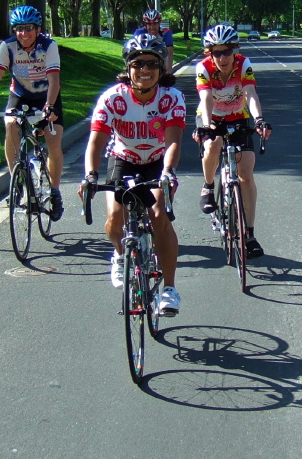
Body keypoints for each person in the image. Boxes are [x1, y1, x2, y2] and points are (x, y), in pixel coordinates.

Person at [79, 34, 186, 315]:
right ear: (128, 68)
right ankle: (118, 254)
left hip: (157, 160)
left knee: (159, 216)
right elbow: (96, 141)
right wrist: (90, 175)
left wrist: (169, 173)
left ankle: (170, 289)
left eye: (152, 64)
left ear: (161, 68)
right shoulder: (113, 98)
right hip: (123, 159)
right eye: (138, 64)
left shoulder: (171, 97)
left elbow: (173, 140)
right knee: (115, 217)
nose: (145, 70)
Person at [0, 5, 65, 221]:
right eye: (18, 29)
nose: (23, 34)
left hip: (48, 97)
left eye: (28, 28)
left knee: (53, 142)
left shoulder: (48, 46)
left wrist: (50, 106)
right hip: (20, 95)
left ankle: (54, 192)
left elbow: (54, 80)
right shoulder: (7, 47)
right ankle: (17, 182)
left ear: (37, 29)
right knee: (10, 126)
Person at [193, 24, 272, 258]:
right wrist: (207, 126)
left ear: (234, 51)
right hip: (211, 116)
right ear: (210, 54)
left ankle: (249, 235)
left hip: (239, 116)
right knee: (213, 145)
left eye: (227, 51)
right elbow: (206, 98)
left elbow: (250, 94)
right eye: (216, 52)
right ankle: (208, 187)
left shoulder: (243, 64)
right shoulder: (203, 68)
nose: (222, 57)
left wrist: (259, 120)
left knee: (246, 172)